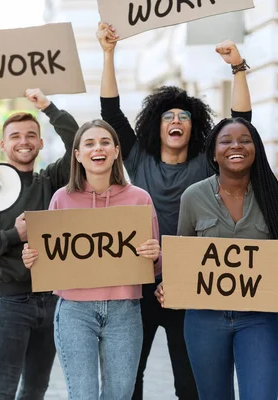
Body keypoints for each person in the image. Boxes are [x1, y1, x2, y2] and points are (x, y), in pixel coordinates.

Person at [96, 21, 252, 399]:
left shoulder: (205, 162)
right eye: (168, 116)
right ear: (157, 125)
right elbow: (110, 111)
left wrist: (237, 67)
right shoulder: (137, 155)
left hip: (189, 285)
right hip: (139, 282)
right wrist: (108, 53)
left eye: (184, 116)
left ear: (194, 126)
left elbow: (242, 124)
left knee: (189, 383)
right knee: (129, 379)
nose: (176, 120)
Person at [22, 120, 160, 400]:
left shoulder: (139, 199)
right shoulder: (62, 198)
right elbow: (51, 256)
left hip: (125, 310)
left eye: (105, 142)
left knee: (119, 394)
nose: (98, 148)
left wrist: (156, 256)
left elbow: (154, 266)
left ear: (116, 151)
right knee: (83, 395)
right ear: (78, 155)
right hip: (75, 311)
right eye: (89, 143)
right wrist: (33, 258)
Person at [155, 117, 278, 399]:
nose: (236, 146)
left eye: (245, 140)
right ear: (213, 152)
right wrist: (170, 285)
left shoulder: (274, 196)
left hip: (260, 319)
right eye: (226, 141)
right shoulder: (193, 197)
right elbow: (184, 258)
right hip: (204, 319)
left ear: (256, 148)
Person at [0, 88, 78, 400]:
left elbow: (75, 141)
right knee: (2, 388)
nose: (23, 141)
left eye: (30, 135)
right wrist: (15, 235)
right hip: (8, 301)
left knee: (36, 388)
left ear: (40, 142)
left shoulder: (49, 181)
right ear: (3, 144)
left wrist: (48, 107)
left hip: (49, 302)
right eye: (15, 136)